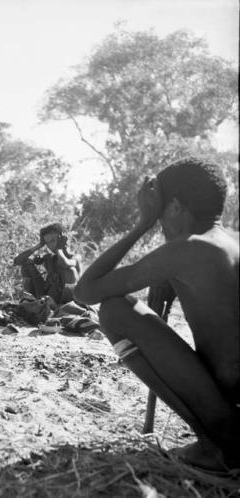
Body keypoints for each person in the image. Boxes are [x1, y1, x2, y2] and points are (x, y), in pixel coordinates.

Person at [73, 158, 239, 471]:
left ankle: (217, 445)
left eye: (160, 211)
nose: (160, 222)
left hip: (228, 405)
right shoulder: (232, 241)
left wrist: (142, 223)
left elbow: (85, 291)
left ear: (175, 207)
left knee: (115, 311)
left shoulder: (188, 248)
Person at [13, 223, 88, 315]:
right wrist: (39, 245)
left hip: (68, 301)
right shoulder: (50, 258)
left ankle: (55, 308)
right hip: (45, 297)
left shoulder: (76, 257)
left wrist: (59, 248)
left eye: (53, 240)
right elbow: (17, 261)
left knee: (70, 271)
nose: (51, 246)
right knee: (27, 262)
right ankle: (39, 302)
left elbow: (65, 264)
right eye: (47, 243)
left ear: (63, 238)